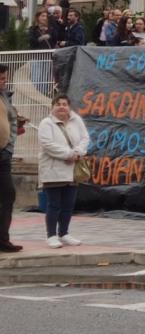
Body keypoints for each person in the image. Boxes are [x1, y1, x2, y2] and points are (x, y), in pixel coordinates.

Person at [37, 95, 89, 248]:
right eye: (58, 104)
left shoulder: (76, 120)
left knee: (68, 204)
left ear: (69, 107)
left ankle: (64, 233)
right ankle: (51, 236)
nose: (61, 107)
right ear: (52, 107)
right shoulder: (46, 123)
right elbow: (47, 144)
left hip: (72, 170)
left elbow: (85, 138)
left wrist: (77, 153)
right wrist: (68, 154)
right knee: (54, 205)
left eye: (64, 104)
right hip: (53, 170)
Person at [0, 65, 19, 253]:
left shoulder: (5, 96)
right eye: (0, 78)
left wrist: (9, 145)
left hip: (4, 154)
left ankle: (3, 239)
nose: (4, 81)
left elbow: (11, 121)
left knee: (8, 194)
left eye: (5, 78)